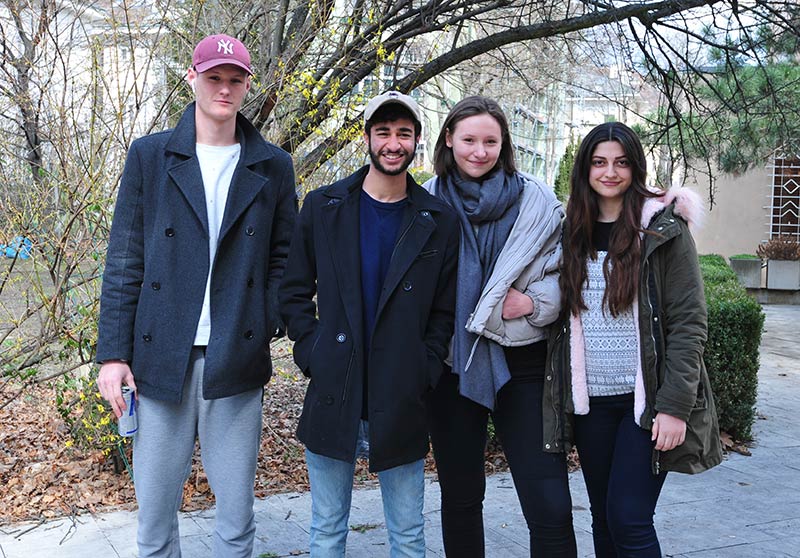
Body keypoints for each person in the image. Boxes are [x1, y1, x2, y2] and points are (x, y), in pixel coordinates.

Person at [95, 34, 297, 558]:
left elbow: (285, 258)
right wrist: (113, 355)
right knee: (156, 518)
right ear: (193, 78)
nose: (224, 89)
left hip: (235, 353)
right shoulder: (151, 156)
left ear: (248, 85)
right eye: (214, 78)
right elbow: (125, 259)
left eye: (235, 79)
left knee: (235, 516)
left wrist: (264, 315)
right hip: (160, 355)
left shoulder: (272, 165)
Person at [278, 91, 460, 557]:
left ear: (418, 140)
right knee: (326, 531)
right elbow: (294, 290)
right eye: (383, 132)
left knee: (408, 535)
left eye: (403, 133)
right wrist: (311, 350)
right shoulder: (323, 207)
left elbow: (444, 309)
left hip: (402, 392)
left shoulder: (437, 219)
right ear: (367, 138)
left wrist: (426, 364)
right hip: (334, 386)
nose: (393, 143)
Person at [548, 121, 723, 556]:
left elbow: (689, 323)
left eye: (622, 162)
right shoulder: (571, 228)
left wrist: (674, 406)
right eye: (600, 162)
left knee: (629, 518)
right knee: (604, 519)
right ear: (585, 168)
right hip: (592, 405)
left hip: (643, 405)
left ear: (636, 167)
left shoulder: (664, 229)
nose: (610, 172)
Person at [423, 96, 577, 557]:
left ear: (504, 144)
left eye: (490, 141)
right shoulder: (426, 200)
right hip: (453, 364)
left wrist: (532, 301)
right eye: (468, 139)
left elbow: (567, 272)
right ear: (449, 139)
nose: (479, 151)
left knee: (548, 500)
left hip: (525, 359)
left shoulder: (536, 199)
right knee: (461, 497)